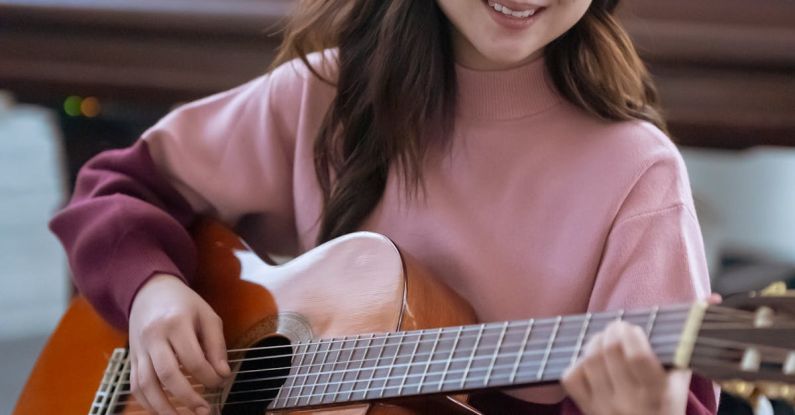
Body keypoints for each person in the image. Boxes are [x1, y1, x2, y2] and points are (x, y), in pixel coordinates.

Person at [50, 0, 717, 414]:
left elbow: (670, 391)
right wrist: (153, 293)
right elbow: (118, 186)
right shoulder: (322, 96)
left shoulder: (637, 172)